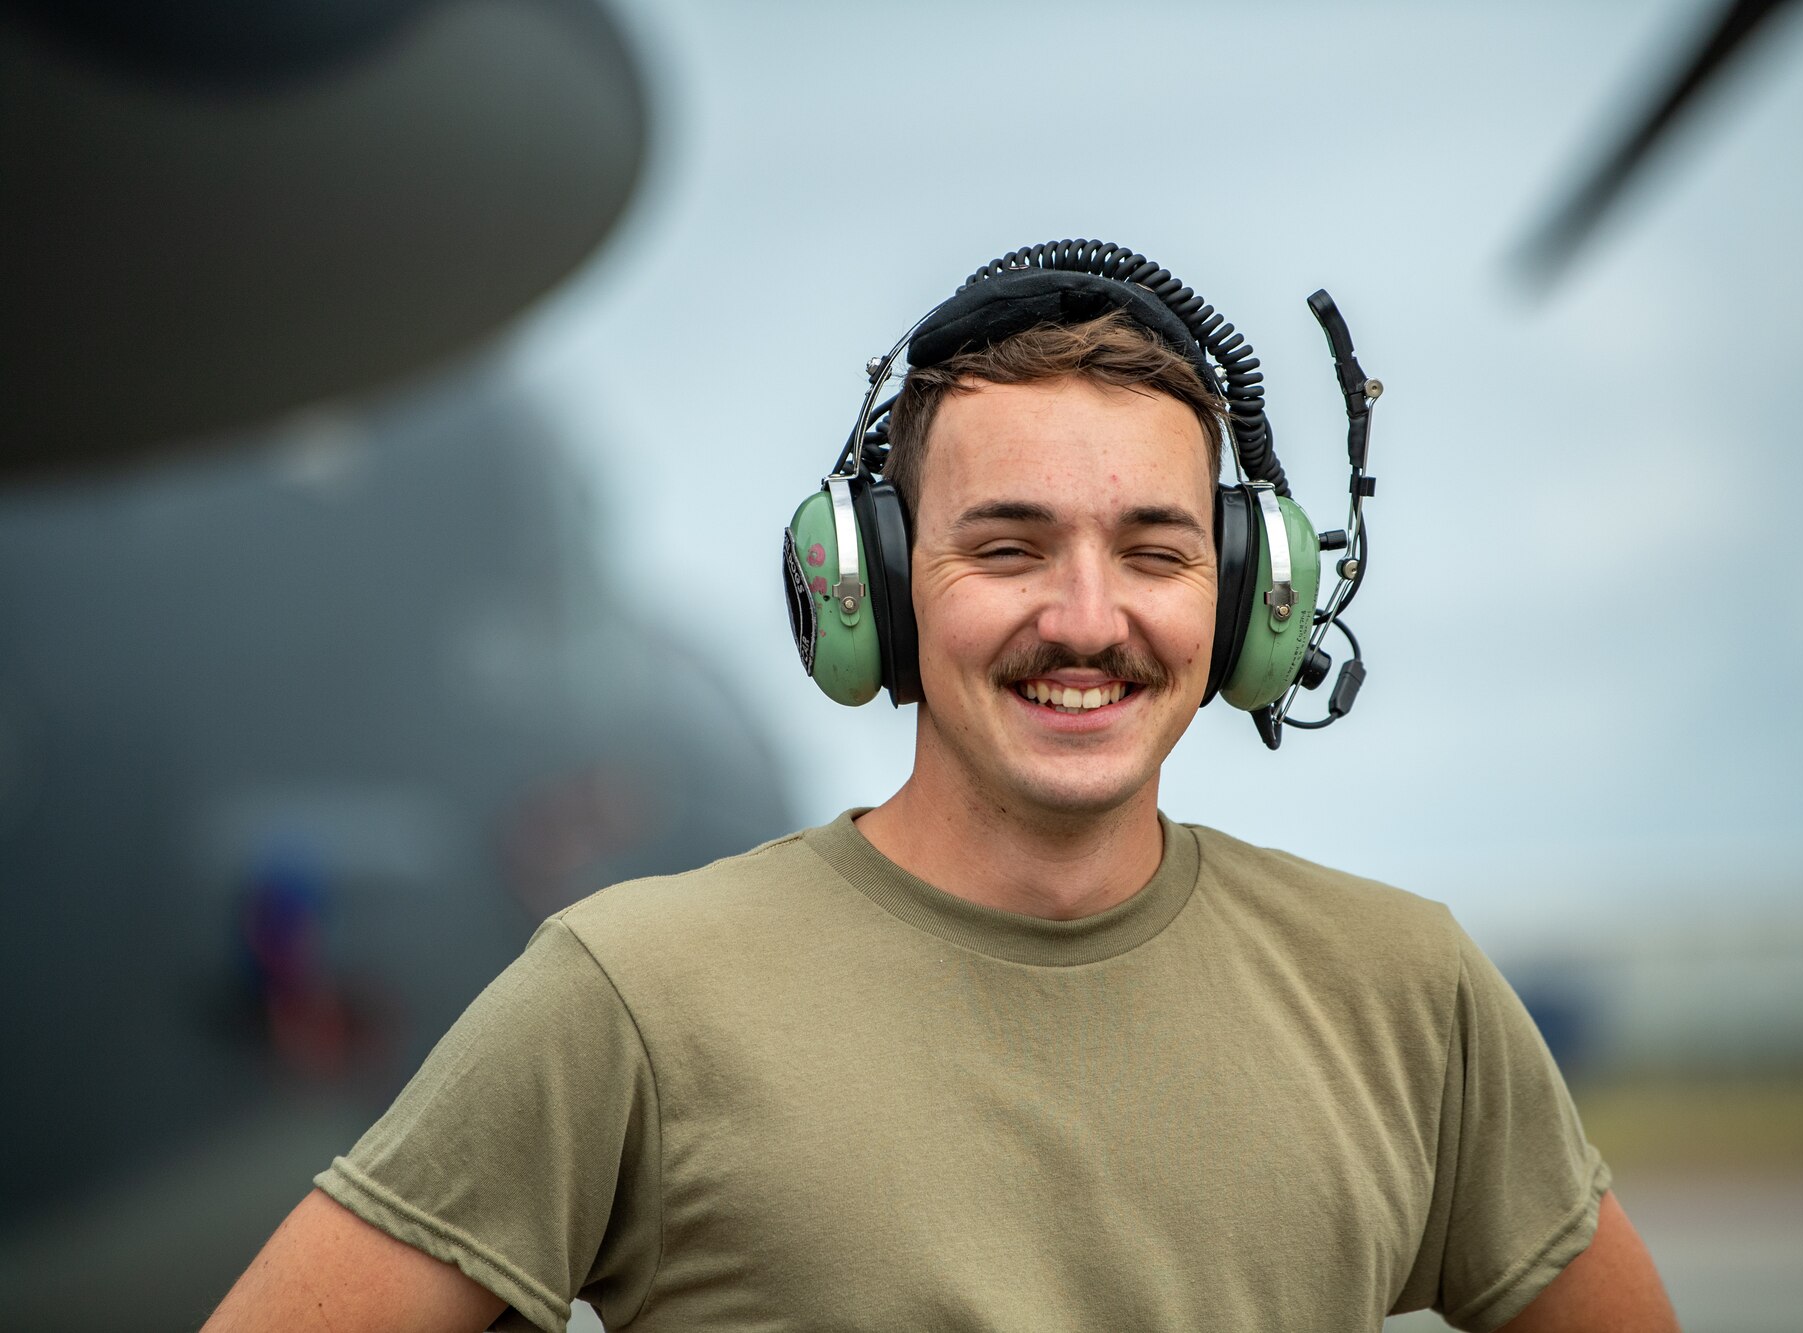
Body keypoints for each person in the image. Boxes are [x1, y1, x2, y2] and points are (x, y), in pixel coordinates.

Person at [206, 249, 1678, 1332]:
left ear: (1248, 603)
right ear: (877, 592)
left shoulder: (1406, 987)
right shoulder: (629, 994)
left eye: (1157, 551)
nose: (1088, 616)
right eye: (1010, 546)